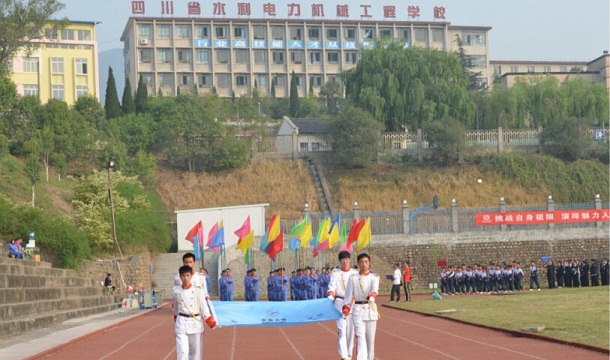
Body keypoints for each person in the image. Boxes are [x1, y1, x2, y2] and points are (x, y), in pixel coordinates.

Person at [172, 265, 217, 360]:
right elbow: (175, 308)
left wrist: (209, 320)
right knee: (182, 352)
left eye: (188, 275)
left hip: (195, 323)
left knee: (195, 354)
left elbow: (204, 307)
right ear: (180, 277)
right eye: (183, 276)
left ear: (191, 276)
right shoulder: (176, 291)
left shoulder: (197, 290)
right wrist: (176, 320)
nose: (185, 278)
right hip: (181, 324)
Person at [342, 253, 380, 360]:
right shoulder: (353, 278)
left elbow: (374, 290)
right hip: (358, 310)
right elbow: (348, 296)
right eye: (361, 262)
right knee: (360, 337)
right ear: (358, 263)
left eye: (366, 262)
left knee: (370, 341)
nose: (364, 264)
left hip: (370, 311)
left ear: (369, 264)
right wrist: (346, 308)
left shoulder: (374, 277)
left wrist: (371, 297)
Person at [328, 251, 357, 360]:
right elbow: (332, 287)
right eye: (342, 259)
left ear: (349, 260)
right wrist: (330, 297)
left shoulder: (354, 273)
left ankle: (349, 355)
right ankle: (344, 356)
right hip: (339, 303)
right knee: (342, 331)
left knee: (350, 331)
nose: (345, 261)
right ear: (340, 261)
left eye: (347, 259)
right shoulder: (335, 273)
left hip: (352, 304)